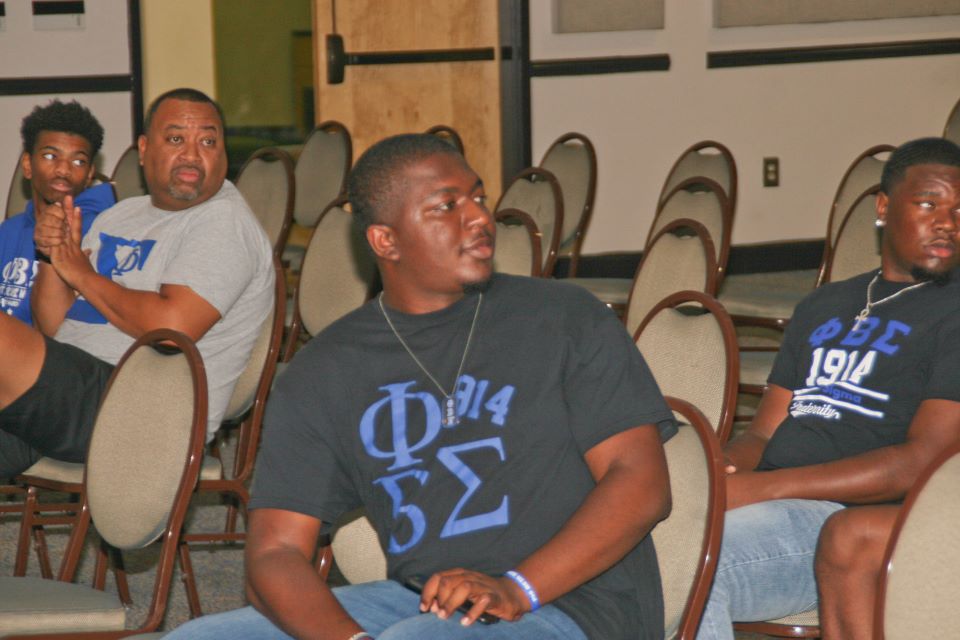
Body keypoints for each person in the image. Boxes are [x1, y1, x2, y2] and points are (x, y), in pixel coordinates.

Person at [165, 133, 676, 640]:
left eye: (478, 197)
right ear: (385, 241)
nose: (479, 218)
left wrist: (518, 588)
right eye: (446, 206)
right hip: (420, 602)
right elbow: (275, 553)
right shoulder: (325, 370)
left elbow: (641, 482)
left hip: (572, 602)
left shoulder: (563, 318)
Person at [695, 136, 960, 640]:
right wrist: (718, 471)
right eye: (929, 204)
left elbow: (924, 461)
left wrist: (763, 488)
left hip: (842, 517)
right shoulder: (823, 305)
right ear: (883, 207)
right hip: (772, 501)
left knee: (687, 562)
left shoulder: (953, 313)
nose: (947, 222)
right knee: (639, 537)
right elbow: (764, 432)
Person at [0, 87, 273, 480]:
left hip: (142, 410)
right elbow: (55, 326)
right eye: (176, 139)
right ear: (144, 149)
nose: (192, 155)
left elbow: (171, 330)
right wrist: (51, 256)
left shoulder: (223, 223)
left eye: (208, 141)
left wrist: (82, 274)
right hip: (68, 398)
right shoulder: (121, 215)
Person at [0, 99, 115, 324]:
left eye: (78, 161)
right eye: (50, 156)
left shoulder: (101, 233)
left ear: (90, 174)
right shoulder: (8, 231)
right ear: (27, 165)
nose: (63, 170)